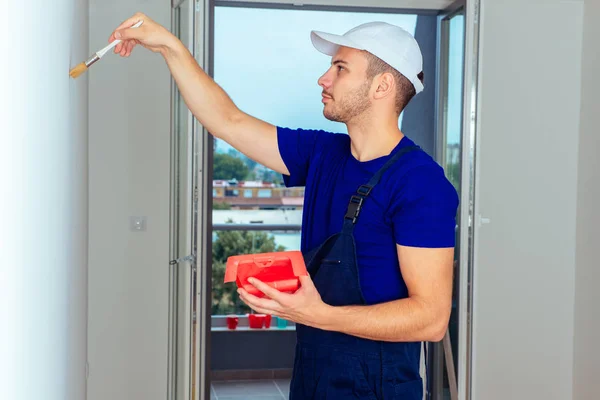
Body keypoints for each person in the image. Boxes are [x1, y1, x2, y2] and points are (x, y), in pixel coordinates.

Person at [111, 13, 459, 399]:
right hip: (313, 369)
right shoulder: (323, 153)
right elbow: (228, 121)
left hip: (377, 384)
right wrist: (169, 47)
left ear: (382, 86)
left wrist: (318, 315)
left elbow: (431, 318)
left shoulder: (420, 182)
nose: (323, 79)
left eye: (340, 68)